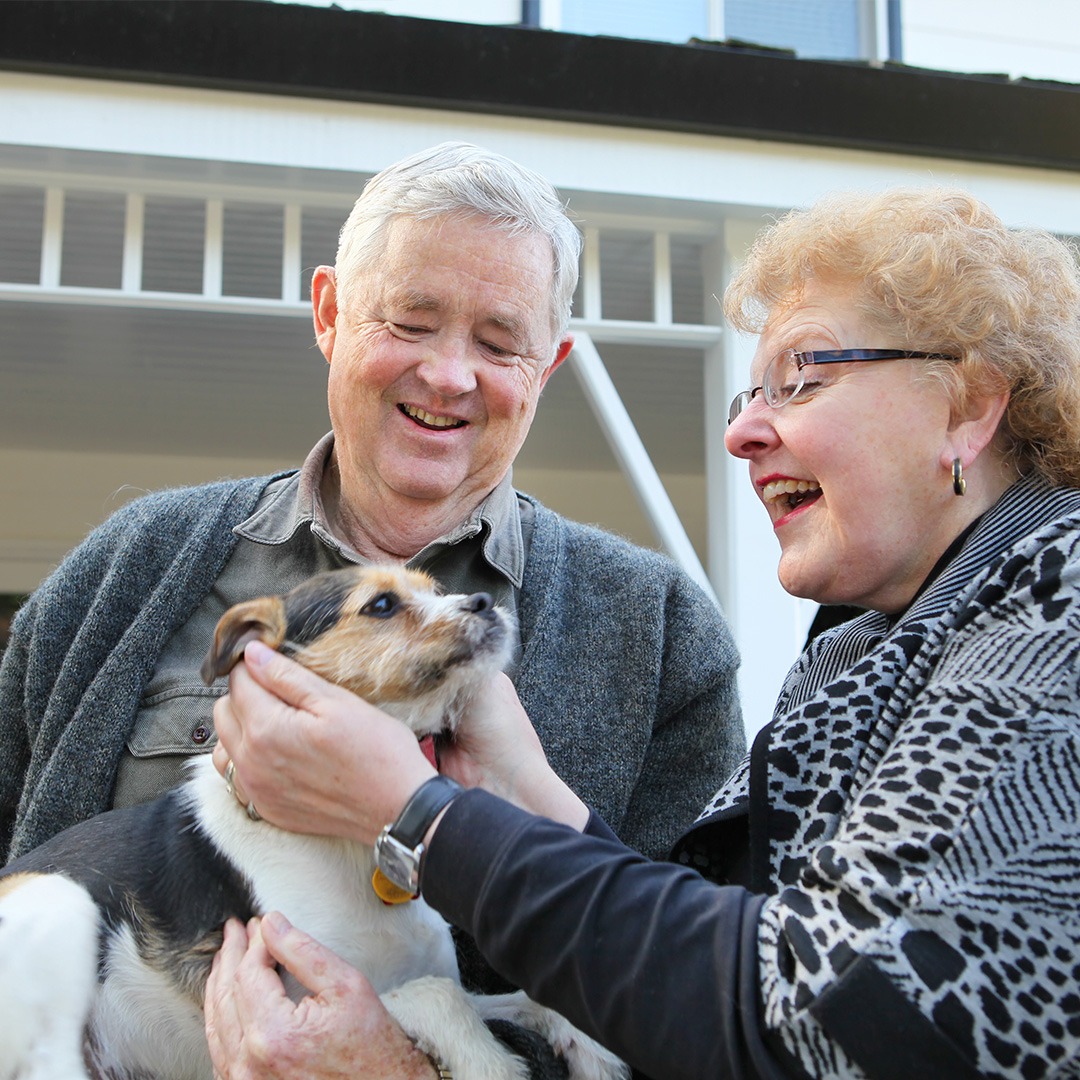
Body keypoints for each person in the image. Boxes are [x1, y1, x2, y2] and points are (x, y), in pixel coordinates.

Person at [207, 186, 1080, 1080]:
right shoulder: (857, 649)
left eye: (805, 377)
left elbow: (848, 1007)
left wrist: (420, 817)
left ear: (968, 408)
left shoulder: (1058, 605)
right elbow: (713, 964)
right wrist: (528, 795)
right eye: (752, 390)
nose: (740, 429)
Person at [0, 146, 742, 941]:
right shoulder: (132, 564)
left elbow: (702, 987)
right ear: (328, 313)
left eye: (498, 344)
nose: (450, 374)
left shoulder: (661, 630)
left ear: (547, 367)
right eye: (411, 322)